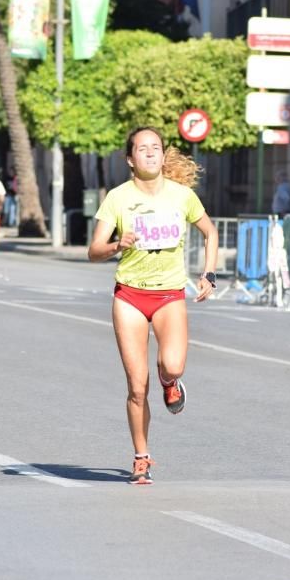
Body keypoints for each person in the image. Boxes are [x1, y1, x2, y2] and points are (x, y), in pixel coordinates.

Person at [87, 127, 218, 485]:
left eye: (155, 148)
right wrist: (117, 244)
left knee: (172, 364)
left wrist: (209, 274)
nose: (149, 153)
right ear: (130, 159)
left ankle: (169, 380)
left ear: (163, 156)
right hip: (129, 294)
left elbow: (210, 232)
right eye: (141, 149)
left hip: (169, 294)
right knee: (136, 386)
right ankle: (141, 456)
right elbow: (93, 250)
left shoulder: (182, 196)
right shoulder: (117, 198)